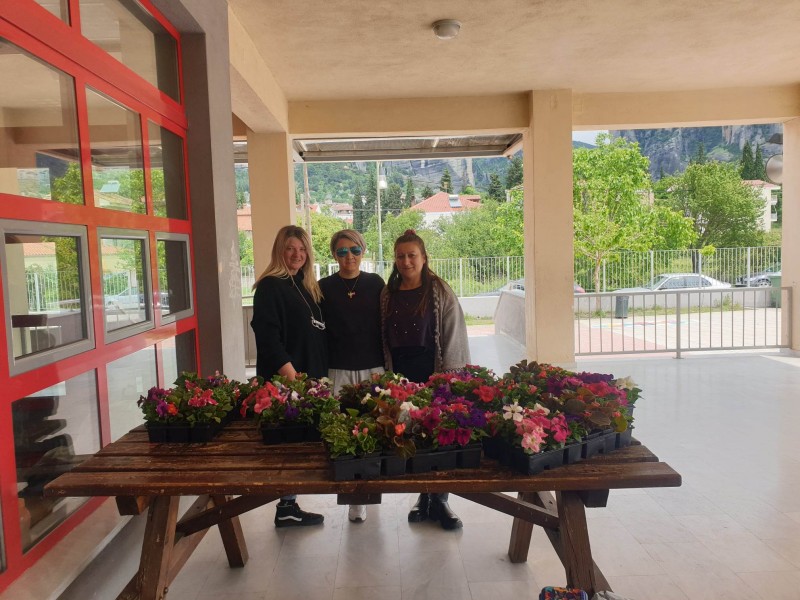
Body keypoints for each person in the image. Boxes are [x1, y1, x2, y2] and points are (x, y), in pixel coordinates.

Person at [381, 229, 471, 530]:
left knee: (437, 434)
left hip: (434, 372)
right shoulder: (388, 293)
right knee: (412, 435)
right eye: (400, 256)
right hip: (401, 376)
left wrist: (450, 378)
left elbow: (454, 334)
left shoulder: (440, 290)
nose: (406, 261)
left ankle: (440, 499)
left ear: (423, 258)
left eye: (412, 255)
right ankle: (423, 497)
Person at [251, 224, 327, 528]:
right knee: (288, 446)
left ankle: (289, 505)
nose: (297, 254)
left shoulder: (305, 285)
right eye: (290, 248)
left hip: (308, 378)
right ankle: (286, 507)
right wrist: (293, 378)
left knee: (299, 444)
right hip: (288, 381)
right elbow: (268, 338)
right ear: (279, 251)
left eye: (302, 249)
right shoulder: (270, 286)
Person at [319, 229, 385, 524]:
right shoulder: (322, 287)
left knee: (374, 431)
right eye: (342, 251)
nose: (349, 257)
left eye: (355, 250)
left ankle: (370, 491)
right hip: (338, 369)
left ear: (363, 251)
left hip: (373, 369)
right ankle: (352, 498)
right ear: (334, 255)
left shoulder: (376, 283)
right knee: (343, 435)